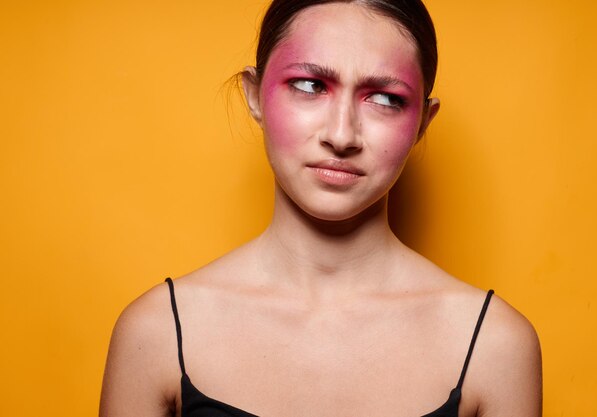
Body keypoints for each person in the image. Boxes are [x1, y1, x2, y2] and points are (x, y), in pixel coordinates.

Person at [99, 1, 542, 416]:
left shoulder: (494, 346)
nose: (342, 134)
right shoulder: (155, 334)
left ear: (423, 123)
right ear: (254, 94)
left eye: (385, 98)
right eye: (310, 85)